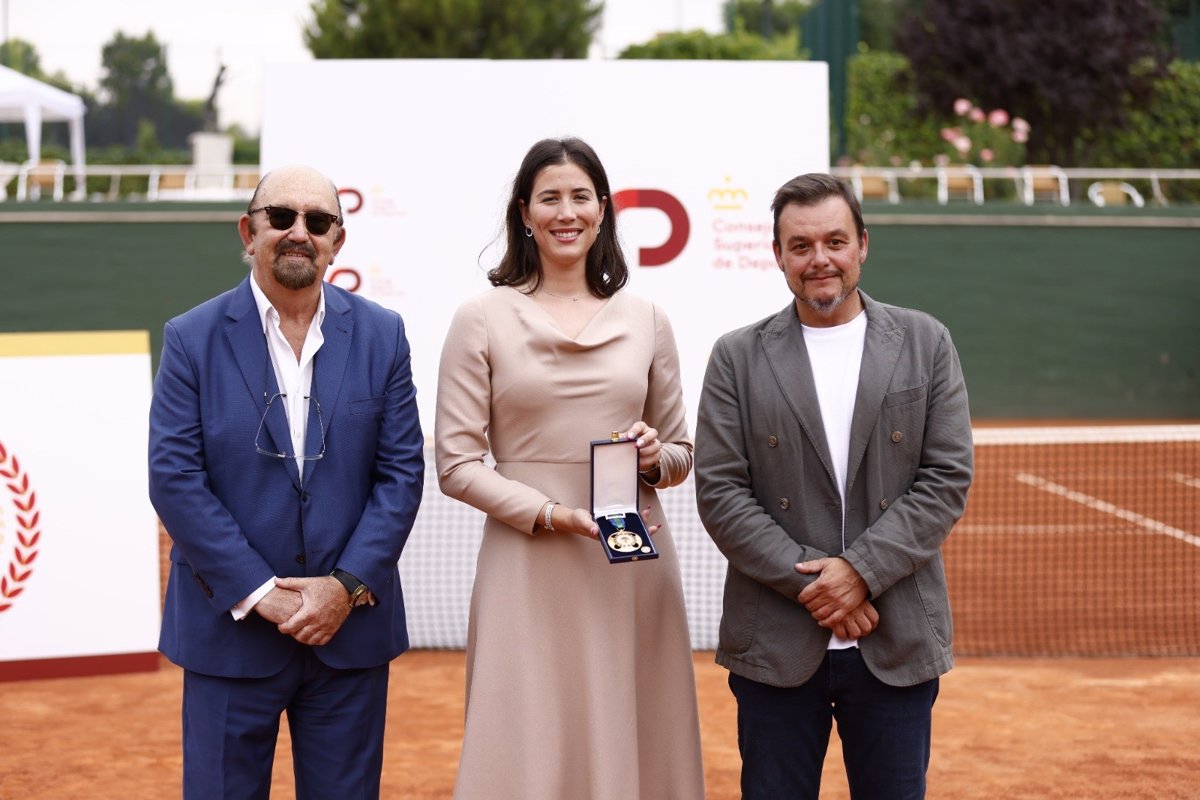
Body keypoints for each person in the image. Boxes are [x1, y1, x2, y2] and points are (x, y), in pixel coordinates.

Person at [435, 137, 705, 799]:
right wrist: (548, 514)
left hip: (629, 564)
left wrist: (653, 456)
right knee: (526, 730)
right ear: (524, 213)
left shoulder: (647, 318)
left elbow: (680, 455)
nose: (567, 211)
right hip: (527, 561)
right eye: (550, 197)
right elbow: (456, 462)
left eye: (581, 196)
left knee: (631, 729)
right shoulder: (481, 318)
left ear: (603, 210)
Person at [148, 164, 425, 799]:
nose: (299, 232)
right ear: (249, 231)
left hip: (348, 634)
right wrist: (260, 593)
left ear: (337, 241)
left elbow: (401, 473)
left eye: (318, 221)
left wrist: (345, 589)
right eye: (281, 217)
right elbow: (175, 479)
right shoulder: (191, 339)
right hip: (230, 633)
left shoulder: (384, 336)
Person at [694, 172, 974, 800]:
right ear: (778, 256)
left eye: (834, 241)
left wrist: (861, 573)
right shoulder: (735, 357)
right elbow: (720, 492)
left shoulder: (926, 342)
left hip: (895, 638)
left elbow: (945, 477)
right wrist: (822, 588)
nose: (819, 259)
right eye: (800, 245)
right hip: (774, 644)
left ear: (862, 245)